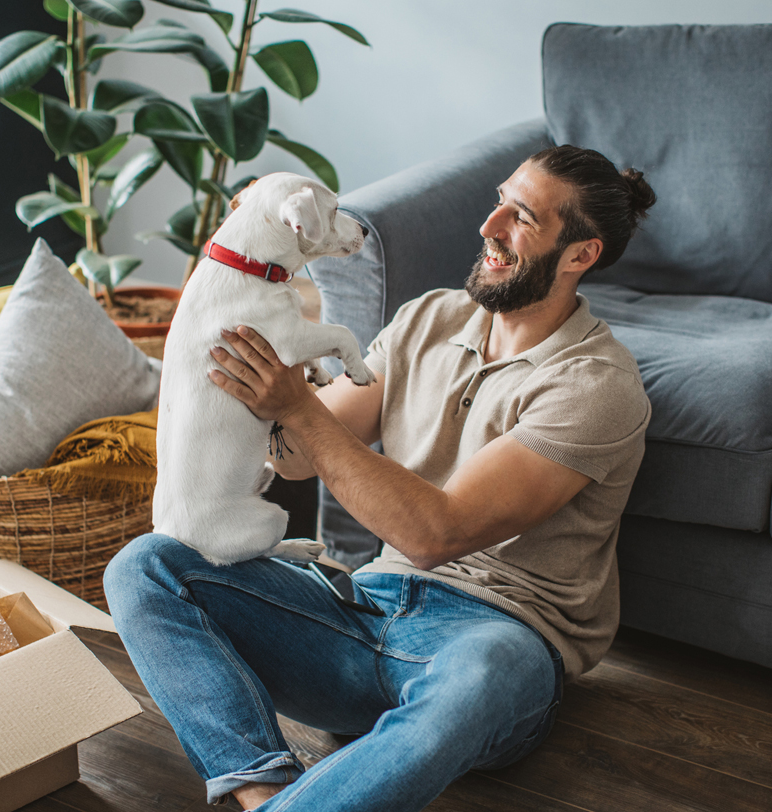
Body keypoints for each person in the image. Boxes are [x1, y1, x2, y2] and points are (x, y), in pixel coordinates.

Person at [104, 145, 657, 811]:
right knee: (144, 565)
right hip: (360, 612)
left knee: (482, 677)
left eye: (522, 218)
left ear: (579, 255)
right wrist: (241, 327)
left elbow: (435, 533)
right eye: (498, 200)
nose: (488, 226)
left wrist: (297, 404)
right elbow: (296, 454)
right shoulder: (429, 318)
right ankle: (260, 793)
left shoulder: (594, 385)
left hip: (495, 636)